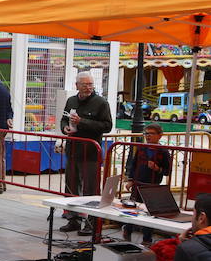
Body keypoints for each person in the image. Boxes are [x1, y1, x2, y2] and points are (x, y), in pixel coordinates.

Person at [59, 72, 113, 235]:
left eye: (91, 84)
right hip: (73, 150)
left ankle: (91, 222)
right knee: (71, 186)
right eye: (85, 85)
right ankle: (73, 219)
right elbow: (63, 118)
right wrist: (65, 128)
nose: (88, 88)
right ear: (77, 86)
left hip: (90, 153)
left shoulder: (101, 103)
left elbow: (107, 126)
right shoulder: (71, 101)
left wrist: (82, 122)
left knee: (91, 189)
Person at [123, 123, 172, 245]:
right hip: (138, 183)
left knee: (150, 213)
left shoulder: (163, 152)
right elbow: (133, 165)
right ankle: (127, 230)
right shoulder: (141, 148)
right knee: (133, 209)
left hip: (153, 186)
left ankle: (147, 238)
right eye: (146, 133)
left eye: (151, 133)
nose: (148, 136)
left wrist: (157, 168)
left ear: (160, 136)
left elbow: (167, 171)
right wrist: (130, 179)